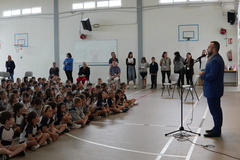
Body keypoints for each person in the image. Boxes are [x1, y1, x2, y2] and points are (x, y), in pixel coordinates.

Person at [199, 41, 224, 138]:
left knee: (215, 111)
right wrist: (206, 72)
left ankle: (217, 131)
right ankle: (216, 128)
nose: (207, 49)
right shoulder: (214, 58)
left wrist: (202, 75)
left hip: (213, 90)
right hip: (213, 89)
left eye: (209, 47)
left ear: (214, 49)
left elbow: (212, 76)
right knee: (215, 110)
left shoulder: (215, 60)